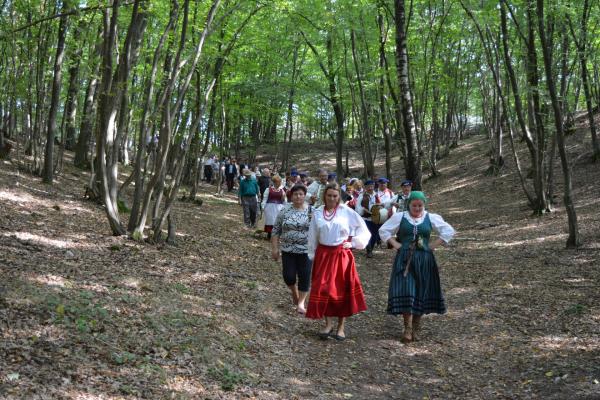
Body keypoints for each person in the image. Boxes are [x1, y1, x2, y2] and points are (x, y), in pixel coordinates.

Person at [379, 191, 455, 343]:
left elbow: (449, 230)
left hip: (424, 259)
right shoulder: (400, 217)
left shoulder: (430, 217)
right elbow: (384, 230)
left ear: (424, 205)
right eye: (414, 205)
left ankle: (416, 326)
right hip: (405, 259)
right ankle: (407, 327)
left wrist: (432, 245)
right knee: (407, 289)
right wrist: (396, 244)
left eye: (420, 205)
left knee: (421, 291)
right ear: (409, 205)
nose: (417, 208)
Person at [306, 183, 371, 341]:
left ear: (339, 197)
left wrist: (354, 243)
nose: (332, 198)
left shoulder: (346, 212)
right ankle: (328, 324)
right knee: (324, 289)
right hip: (323, 255)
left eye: (335, 196)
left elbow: (363, 229)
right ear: (324, 196)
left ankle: (341, 327)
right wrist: (312, 254)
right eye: (329, 195)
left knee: (341, 291)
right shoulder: (318, 212)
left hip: (341, 255)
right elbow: (312, 235)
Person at [271, 184, 313, 314]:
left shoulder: (312, 211)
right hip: (288, 249)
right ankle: (294, 292)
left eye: (301, 194)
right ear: (291, 196)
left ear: (304, 196)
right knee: (288, 276)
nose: (298, 196)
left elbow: (319, 230)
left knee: (304, 276)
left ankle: (301, 303)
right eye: (295, 194)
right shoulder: (285, 210)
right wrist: (275, 248)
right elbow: (276, 229)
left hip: (306, 250)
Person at [262, 175, 286, 239]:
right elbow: (265, 199)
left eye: (280, 182)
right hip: (270, 208)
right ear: (274, 182)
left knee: (276, 222)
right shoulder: (268, 189)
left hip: (279, 208)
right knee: (270, 221)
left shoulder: (282, 191)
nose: (279, 183)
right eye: (278, 182)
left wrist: (284, 201)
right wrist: (263, 207)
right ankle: (269, 234)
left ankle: (275, 235)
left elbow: (284, 201)